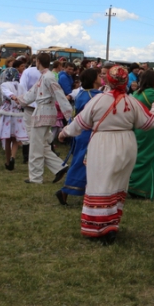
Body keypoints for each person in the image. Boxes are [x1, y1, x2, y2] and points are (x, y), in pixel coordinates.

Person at [59, 66, 154, 243]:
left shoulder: (98, 100)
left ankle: (98, 227)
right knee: (118, 184)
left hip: (102, 145)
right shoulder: (131, 102)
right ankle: (111, 224)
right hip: (126, 145)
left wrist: (64, 132)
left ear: (107, 80)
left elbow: (80, 122)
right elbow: (149, 124)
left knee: (100, 184)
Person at [18, 53, 71, 184]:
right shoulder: (45, 77)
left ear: (38, 62)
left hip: (43, 112)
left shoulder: (48, 77)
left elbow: (59, 94)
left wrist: (69, 115)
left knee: (36, 145)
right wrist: (19, 100)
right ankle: (60, 167)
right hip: (45, 111)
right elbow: (32, 94)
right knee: (42, 144)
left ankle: (36, 178)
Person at [55, 68, 101, 206]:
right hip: (88, 133)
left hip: (82, 133)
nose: (101, 77)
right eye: (99, 75)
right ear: (94, 79)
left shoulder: (83, 93)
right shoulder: (94, 96)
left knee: (83, 162)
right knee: (82, 163)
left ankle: (89, 192)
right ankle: (65, 190)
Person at [127, 70, 154, 199]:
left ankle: (132, 185)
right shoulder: (153, 95)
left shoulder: (137, 93)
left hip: (139, 129)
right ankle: (141, 188)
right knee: (148, 159)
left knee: (139, 157)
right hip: (151, 131)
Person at [0, 67, 28, 170]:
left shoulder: (4, 84)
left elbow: (7, 93)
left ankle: (8, 161)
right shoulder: (21, 86)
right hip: (18, 113)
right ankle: (13, 157)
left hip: (8, 113)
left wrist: (13, 97)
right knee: (15, 138)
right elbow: (26, 96)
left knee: (7, 138)